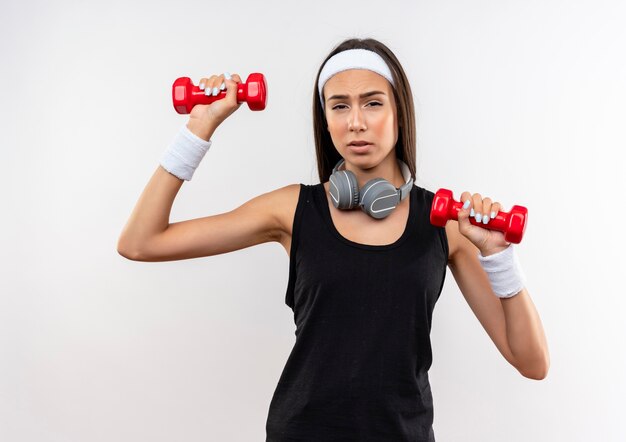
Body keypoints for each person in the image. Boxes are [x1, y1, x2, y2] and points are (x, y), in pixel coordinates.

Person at [117, 38, 549, 441]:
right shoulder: (290, 210)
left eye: (373, 103)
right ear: (325, 120)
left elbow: (531, 362)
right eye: (339, 106)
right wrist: (199, 127)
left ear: (400, 112)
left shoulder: (447, 223)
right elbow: (141, 242)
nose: (356, 123)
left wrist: (498, 256)